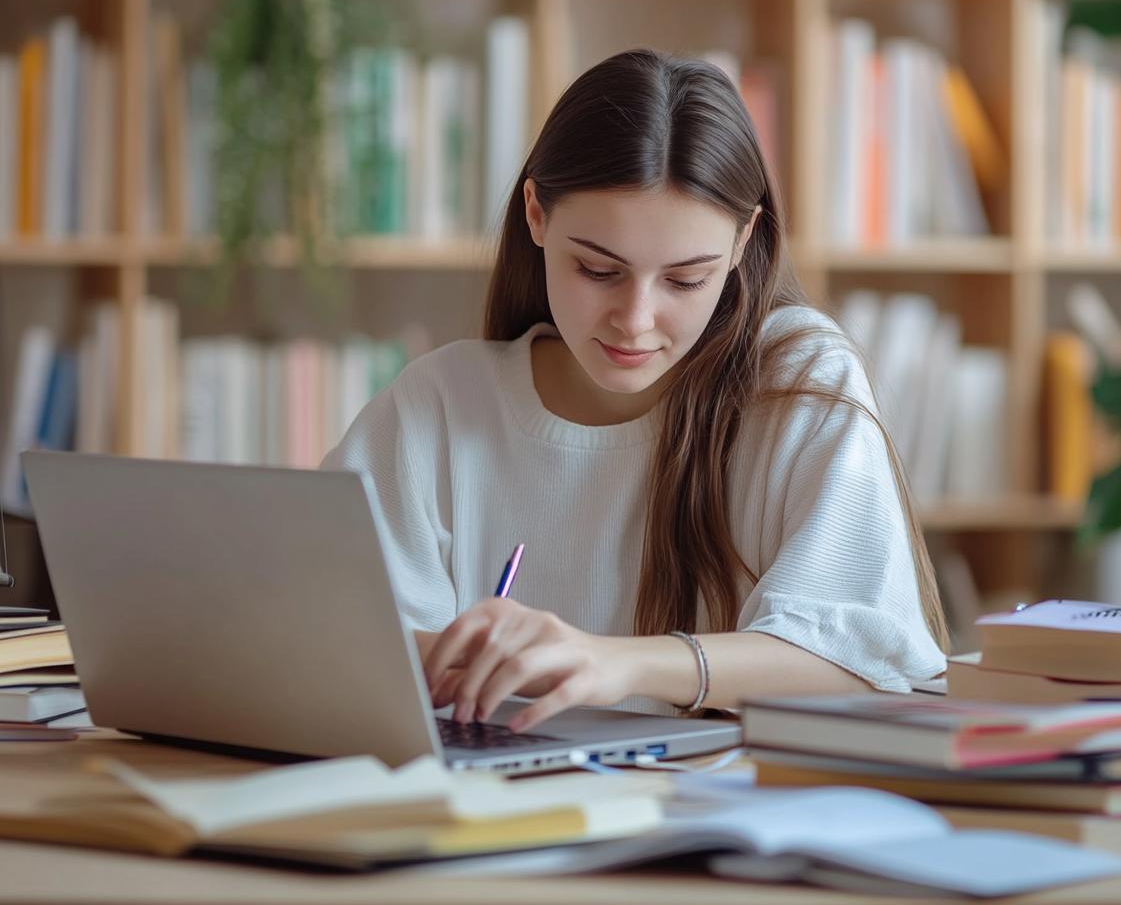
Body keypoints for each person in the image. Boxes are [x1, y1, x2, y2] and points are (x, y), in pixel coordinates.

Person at [322, 48, 947, 734]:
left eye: (685, 280)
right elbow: (311, 630)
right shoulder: (440, 404)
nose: (636, 320)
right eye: (597, 270)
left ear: (743, 242)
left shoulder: (798, 383)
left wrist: (616, 664)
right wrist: (468, 659)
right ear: (536, 214)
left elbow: (863, 659)